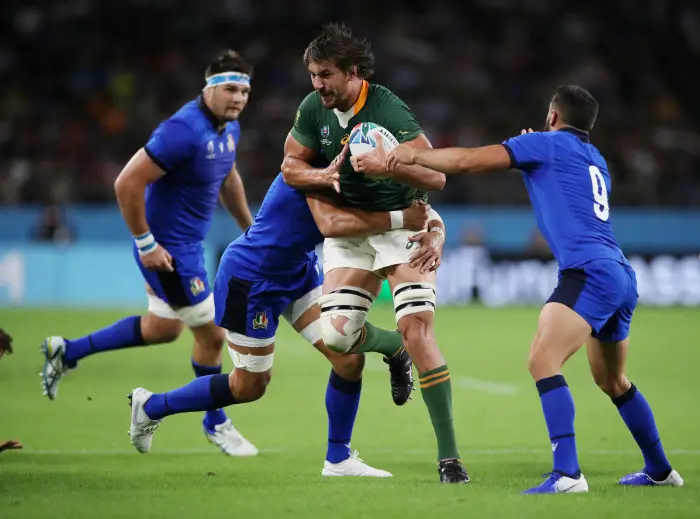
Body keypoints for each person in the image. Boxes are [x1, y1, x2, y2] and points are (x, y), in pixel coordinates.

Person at [386, 84, 683, 493]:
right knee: (614, 382)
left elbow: (470, 161)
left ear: (553, 116)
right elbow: (560, 187)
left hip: (588, 272)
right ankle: (661, 471)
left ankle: (567, 474)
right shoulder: (595, 159)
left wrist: (413, 154)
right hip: (619, 272)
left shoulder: (545, 145)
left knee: (543, 359)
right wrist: (532, 154)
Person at [127, 171, 440, 477]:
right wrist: (400, 219)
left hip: (298, 272)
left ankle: (338, 458)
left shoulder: (345, 167)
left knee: (347, 357)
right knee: (249, 386)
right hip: (252, 281)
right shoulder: (311, 171)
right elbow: (333, 224)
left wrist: (431, 227)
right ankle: (152, 406)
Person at [41, 50, 258, 457]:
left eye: (244, 90)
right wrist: (146, 243)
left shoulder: (230, 128)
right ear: (207, 87)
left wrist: (252, 229)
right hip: (169, 251)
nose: (238, 98)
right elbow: (127, 182)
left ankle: (66, 351)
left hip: (188, 247)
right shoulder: (182, 130)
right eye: (230, 88)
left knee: (163, 328)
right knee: (212, 335)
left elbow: (228, 176)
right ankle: (215, 421)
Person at [280, 23, 468, 484]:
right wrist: (323, 177)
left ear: (353, 72)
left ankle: (449, 459)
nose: (318, 84)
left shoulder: (387, 109)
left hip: (400, 224)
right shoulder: (311, 109)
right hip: (350, 234)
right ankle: (393, 350)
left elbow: (437, 178)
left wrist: (390, 163)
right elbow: (289, 166)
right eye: (312, 75)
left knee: (418, 331)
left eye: (326, 75)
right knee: (340, 338)